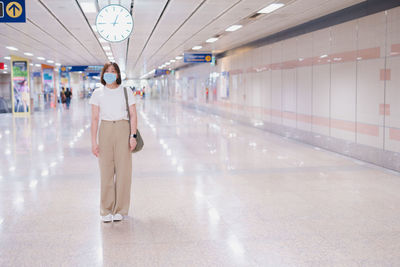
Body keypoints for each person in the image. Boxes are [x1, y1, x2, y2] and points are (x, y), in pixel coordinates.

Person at [89, 62, 138, 223]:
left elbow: (133, 114)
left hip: (123, 128)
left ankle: (121, 209)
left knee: (124, 171)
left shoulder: (126, 91)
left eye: (113, 71)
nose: (110, 73)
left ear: (118, 74)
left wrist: (133, 136)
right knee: (106, 171)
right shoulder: (97, 93)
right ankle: (106, 209)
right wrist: (93, 142)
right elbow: (95, 118)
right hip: (106, 129)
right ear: (103, 75)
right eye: (107, 71)